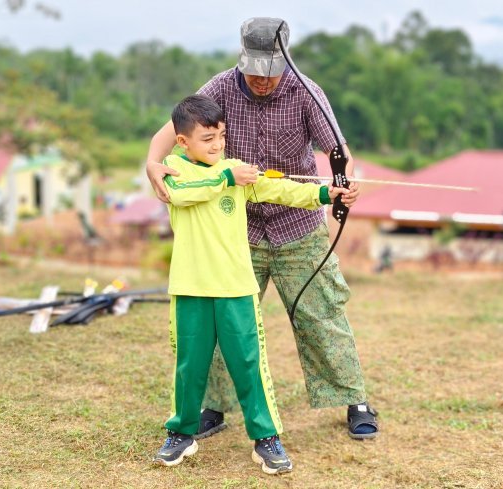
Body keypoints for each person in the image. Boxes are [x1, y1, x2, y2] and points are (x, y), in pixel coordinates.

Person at [145, 17, 378, 441]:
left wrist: (342, 182)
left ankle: (354, 400)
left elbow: (336, 149)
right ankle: (213, 407)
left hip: (298, 225)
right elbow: (172, 132)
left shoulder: (306, 91)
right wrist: (150, 163)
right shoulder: (218, 87)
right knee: (223, 321)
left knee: (322, 313)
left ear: (284, 62)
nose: (262, 80)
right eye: (253, 71)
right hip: (236, 229)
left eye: (270, 72)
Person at [152, 95, 349, 473]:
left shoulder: (235, 171)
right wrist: (228, 177)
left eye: (221, 136)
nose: (217, 145)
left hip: (236, 288)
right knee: (190, 364)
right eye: (207, 139)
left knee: (249, 364)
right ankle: (181, 433)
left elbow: (281, 189)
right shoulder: (173, 171)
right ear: (183, 142)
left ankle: (266, 439)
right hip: (191, 287)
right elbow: (183, 195)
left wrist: (325, 193)